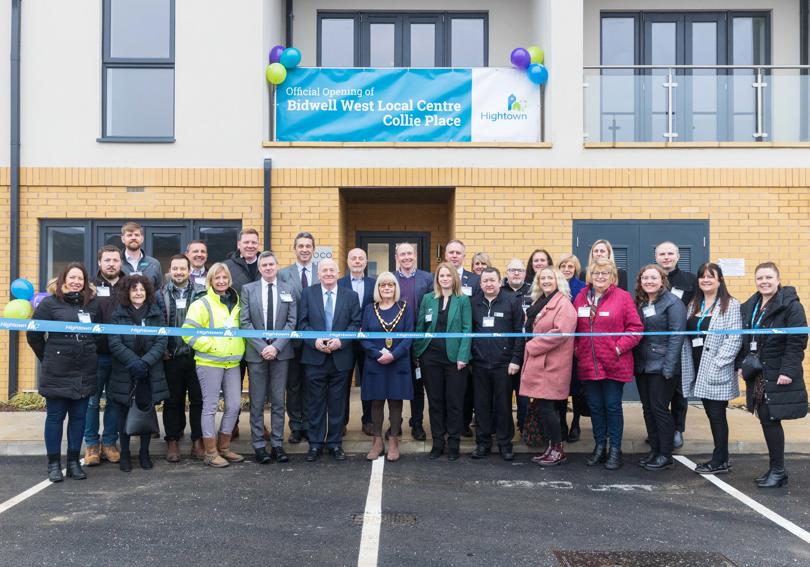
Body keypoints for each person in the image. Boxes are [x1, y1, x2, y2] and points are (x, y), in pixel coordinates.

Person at [736, 262, 807, 487]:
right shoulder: (752, 304)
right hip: (758, 371)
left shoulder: (791, 306)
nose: (764, 282)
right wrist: (742, 363)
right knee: (766, 418)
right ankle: (775, 470)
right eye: (760, 278)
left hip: (777, 371)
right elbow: (745, 339)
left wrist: (788, 370)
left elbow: (797, 342)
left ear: (778, 279)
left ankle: (778, 471)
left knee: (771, 419)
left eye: (768, 277)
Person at [27, 263, 100, 482]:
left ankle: (73, 464)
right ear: (63, 280)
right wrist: (49, 357)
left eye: (81, 278)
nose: (76, 282)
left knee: (78, 419)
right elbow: (34, 335)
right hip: (57, 371)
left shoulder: (92, 305)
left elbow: (99, 333)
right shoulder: (50, 304)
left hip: (84, 370)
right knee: (55, 418)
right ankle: (53, 464)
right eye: (72, 277)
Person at [573, 258, 643, 470]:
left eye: (604, 274)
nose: (600, 277)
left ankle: (615, 449)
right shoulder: (581, 298)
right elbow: (574, 328)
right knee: (595, 407)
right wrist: (578, 349)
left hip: (614, 362)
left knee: (612, 407)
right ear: (590, 276)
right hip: (588, 362)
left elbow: (635, 328)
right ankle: (599, 446)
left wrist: (618, 348)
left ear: (612, 276)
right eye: (596, 274)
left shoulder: (622, 298)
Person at [182, 263, 246, 468]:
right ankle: (210, 451)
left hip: (233, 362)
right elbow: (187, 332)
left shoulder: (237, 302)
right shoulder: (202, 304)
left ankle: (224, 447)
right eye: (217, 278)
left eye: (224, 278)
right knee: (209, 407)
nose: (221, 281)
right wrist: (210, 346)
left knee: (234, 405)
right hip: (209, 362)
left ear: (229, 280)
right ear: (210, 280)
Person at [681, 263, 742, 475]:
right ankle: (721, 457)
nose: (706, 280)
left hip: (717, 368)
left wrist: (716, 364)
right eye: (702, 277)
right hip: (697, 366)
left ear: (720, 280)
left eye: (710, 277)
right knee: (711, 412)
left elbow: (734, 339)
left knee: (716, 414)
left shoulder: (731, 304)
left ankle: (720, 459)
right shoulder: (694, 304)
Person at [299, 259, 362, 462]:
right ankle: (315, 444)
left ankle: (335, 443)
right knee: (315, 403)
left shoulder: (350, 296)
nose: (328, 273)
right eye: (324, 270)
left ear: (338, 273)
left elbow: (355, 324)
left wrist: (340, 341)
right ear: (318, 275)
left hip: (340, 358)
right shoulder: (308, 293)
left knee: (337, 403)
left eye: (331, 270)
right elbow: (302, 323)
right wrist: (314, 341)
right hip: (314, 357)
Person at [107, 275, 169, 472]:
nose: (139, 293)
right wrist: (133, 361)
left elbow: (161, 342)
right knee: (123, 415)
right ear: (127, 292)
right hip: (125, 371)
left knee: (145, 412)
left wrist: (145, 362)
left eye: (142, 289)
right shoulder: (118, 314)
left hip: (148, 372)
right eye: (134, 289)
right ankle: (125, 454)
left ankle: (144, 452)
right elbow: (114, 342)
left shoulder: (156, 313)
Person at [240, 251, 297, 464]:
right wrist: (263, 347)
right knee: (256, 402)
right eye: (264, 265)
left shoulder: (288, 289)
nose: (268, 268)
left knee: (278, 402)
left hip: (281, 354)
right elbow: (244, 322)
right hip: (257, 354)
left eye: (271, 264)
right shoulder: (248, 290)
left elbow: (292, 322)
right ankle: (258, 446)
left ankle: (277, 445)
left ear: (277, 265)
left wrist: (277, 347)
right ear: (259, 268)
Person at [413, 263, 472, 461]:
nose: (445, 278)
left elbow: (467, 329)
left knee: (454, 402)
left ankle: (454, 442)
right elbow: (420, 326)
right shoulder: (428, 299)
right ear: (436, 279)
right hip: (430, 357)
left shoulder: (463, 300)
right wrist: (418, 351)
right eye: (441, 275)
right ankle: (438, 442)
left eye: (448, 275)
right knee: (435, 402)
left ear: (454, 277)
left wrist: (463, 356)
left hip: (455, 358)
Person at [521, 267, 577, 466]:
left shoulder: (564, 305)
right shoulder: (541, 302)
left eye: (549, 278)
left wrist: (531, 345)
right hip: (541, 363)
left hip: (552, 364)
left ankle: (558, 449)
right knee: (545, 407)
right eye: (542, 278)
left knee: (547, 408)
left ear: (558, 280)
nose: (545, 281)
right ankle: (552, 447)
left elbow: (561, 333)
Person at [633, 265, 687, 471]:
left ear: (662, 280)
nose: (649, 281)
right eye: (645, 278)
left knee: (659, 409)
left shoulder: (673, 303)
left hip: (663, 365)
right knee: (648, 410)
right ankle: (655, 451)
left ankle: (665, 454)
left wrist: (669, 367)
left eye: (653, 277)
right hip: (643, 365)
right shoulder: (642, 302)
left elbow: (676, 336)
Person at [469, 268, 524, 462]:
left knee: (503, 406)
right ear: (481, 283)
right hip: (480, 364)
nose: (489, 284)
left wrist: (516, 359)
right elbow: (469, 331)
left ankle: (504, 444)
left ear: (500, 281)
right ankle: (483, 443)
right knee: (481, 406)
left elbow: (519, 333)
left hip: (504, 364)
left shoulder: (512, 301)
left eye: (493, 280)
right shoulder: (473, 303)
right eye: (485, 281)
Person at [359, 272, 414, 461]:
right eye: (383, 285)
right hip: (375, 362)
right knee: (376, 401)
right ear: (378, 289)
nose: (387, 288)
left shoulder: (405, 308)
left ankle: (393, 441)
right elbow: (363, 336)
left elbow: (409, 335)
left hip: (398, 361)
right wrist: (377, 354)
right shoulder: (369, 309)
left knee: (395, 401)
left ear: (395, 287)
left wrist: (393, 354)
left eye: (390, 285)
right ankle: (377, 442)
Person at [158, 254, 206, 462]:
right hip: (171, 356)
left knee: (198, 401)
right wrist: (162, 350)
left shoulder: (202, 293)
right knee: (172, 401)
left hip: (196, 356)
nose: (179, 272)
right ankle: (173, 440)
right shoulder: (160, 294)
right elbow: (157, 323)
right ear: (170, 270)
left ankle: (197, 441)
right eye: (175, 268)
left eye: (182, 269)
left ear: (189, 270)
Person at [83, 245, 124, 466]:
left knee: (114, 402)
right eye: (107, 260)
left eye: (115, 260)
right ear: (99, 263)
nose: (111, 264)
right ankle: (91, 445)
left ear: (121, 262)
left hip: (120, 354)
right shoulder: (89, 286)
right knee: (91, 402)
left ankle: (109, 443)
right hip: (95, 354)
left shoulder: (128, 284)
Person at [277, 231, 319, 444]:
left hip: (314, 339)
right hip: (291, 340)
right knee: (293, 385)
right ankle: (296, 425)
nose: (304, 249)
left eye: (308, 246)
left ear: (313, 249)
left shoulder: (322, 272)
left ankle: (311, 424)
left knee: (311, 384)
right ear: (295, 249)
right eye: (300, 246)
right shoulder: (283, 274)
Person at [655, 241, 697, 449]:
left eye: (670, 253)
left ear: (678, 256)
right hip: (655, 344)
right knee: (658, 390)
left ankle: (677, 429)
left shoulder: (690, 280)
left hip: (681, 343)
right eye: (662, 254)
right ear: (656, 257)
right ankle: (660, 429)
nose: (666, 257)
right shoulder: (651, 278)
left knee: (679, 390)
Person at [394, 242, 434, 442]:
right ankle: (395, 423)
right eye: (403, 254)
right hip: (397, 341)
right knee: (397, 383)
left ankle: (417, 423)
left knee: (418, 385)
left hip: (420, 340)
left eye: (410, 253)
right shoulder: (390, 279)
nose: (406, 257)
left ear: (415, 255)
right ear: (397, 257)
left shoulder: (427, 278)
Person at [337, 248, 375, 433]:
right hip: (345, 340)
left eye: (361, 258)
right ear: (348, 261)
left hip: (368, 341)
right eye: (354, 258)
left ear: (366, 262)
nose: (358, 261)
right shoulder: (339, 284)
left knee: (368, 380)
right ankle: (342, 421)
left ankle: (368, 420)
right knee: (343, 381)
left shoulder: (374, 284)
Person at [444, 239, 478, 437]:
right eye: (451, 252)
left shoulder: (474, 280)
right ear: (446, 255)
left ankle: (463, 423)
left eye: (458, 253)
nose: (454, 256)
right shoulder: (439, 278)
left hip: (468, 340)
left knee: (465, 387)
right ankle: (448, 423)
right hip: (446, 344)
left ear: (464, 256)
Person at [557, 253, 587, 442]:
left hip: (576, 345)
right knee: (559, 387)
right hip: (558, 346)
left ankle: (576, 423)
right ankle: (561, 423)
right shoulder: (554, 285)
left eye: (570, 266)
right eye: (563, 266)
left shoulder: (582, 288)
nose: (567, 269)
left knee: (576, 388)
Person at [119, 221, 163, 292]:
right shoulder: (116, 263)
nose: (133, 238)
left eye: (136, 235)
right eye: (129, 235)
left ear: (142, 238)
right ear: (123, 239)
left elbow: (159, 293)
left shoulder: (154, 264)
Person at [223, 228, 261, 294]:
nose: (250, 246)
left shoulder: (267, 266)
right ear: (239, 245)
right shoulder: (226, 267)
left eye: (254, 242)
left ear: (258, 245)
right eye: (246, 242)